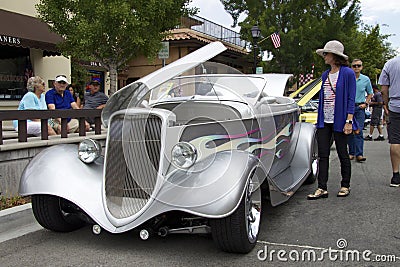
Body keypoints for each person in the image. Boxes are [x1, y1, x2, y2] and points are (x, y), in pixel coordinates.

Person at [307, 40, 357, 199]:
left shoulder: (347, 73)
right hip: (324, 120)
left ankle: (345, 185)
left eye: (326, 54)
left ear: (334, 56)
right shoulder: (325, 75)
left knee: (343, 153)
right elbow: (323, 98)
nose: (324, 56)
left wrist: (349, 121)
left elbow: (351, 98)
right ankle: (322, 188)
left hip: (341, 120)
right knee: (322, 154)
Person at [378, 56, 400, 187]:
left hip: (395, 106)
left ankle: (396, 175)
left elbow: (384, 90)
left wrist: (385, 105)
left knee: (395, 141)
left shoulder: (390, 64)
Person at [347, 59, 373, 162]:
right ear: (351, 67)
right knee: (349, 130)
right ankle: (351, 152)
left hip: (359, 107)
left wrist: (366, 103)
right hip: (349, 107)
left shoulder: (365, 79)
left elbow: (370, 92)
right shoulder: (348, 78)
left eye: (358, 65)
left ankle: (359, 154)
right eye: (354, 66)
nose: (356, 67)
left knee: (359, 131)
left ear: (362, 67)